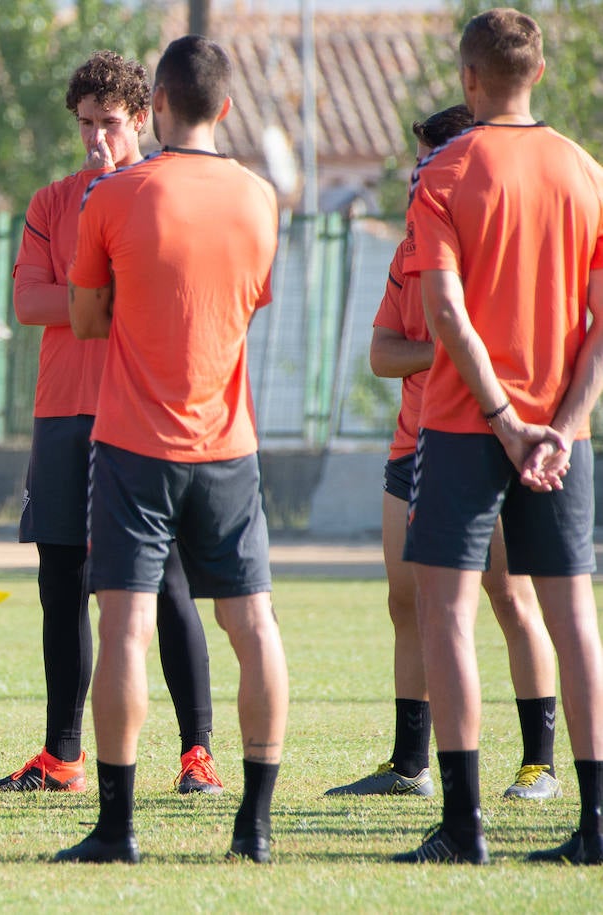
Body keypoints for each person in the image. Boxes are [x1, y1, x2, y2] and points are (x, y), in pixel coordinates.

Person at [56, 36, 287, 864]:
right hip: (228, 444)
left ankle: (117, 829)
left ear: (155, 106)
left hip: (132, 444)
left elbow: (84, 318)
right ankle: (254, 825)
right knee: (252, 623)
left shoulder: (115, 197)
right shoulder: (261, 199)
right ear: (225, 108)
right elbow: (254, 301)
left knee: (123, 627)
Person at [0, 50, 221, 799]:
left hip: (142, 410)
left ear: (142, 118)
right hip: (62, 412)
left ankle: (197, 753)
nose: (96, 138)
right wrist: (111, 298)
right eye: (85, 124)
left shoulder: (162, 194)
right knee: (61, 582)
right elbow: (32, 305)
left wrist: (90, 300)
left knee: (167, 582)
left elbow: (167, 302)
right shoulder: (52, 202)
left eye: (110, 123)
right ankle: (62, 755)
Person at [395, 8, 603, 865]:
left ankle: (464, 824)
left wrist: (500, 417)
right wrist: (560, 422)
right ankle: (595, 824)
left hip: (461, 423)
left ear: (468, 79)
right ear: (541, 74)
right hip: (563, 435)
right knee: (574, 616)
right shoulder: (585, 171)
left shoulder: (445, 170)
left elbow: (443, 308)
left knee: (447, 611)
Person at [327, 103, 560, 800]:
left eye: (427, 158)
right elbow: (380, 352)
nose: (415, 173)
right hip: (414, 446)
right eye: (415, 160)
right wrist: (449, 352)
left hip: (484, 443)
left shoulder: (496, 245)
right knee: (410, 602)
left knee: (511, 597)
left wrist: (469, 363)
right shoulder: (411, 250)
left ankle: (539, 764)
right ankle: (410, 763)